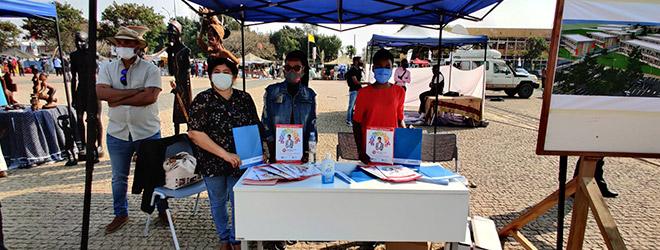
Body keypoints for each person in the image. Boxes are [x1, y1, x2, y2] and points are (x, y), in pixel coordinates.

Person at [96, 26, 169, 234]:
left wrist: (116, 96)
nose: (122, 47)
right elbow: (101, 93)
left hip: (147, 131)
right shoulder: (107, 68)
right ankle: (120, 213)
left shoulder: (150, 69)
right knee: (119, 177)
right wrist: (134, 92)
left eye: (127, 43)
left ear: (137, 46)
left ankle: (162, 210)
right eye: (119, 43)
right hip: (118, 132)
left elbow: (150, 97)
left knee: (155, 174)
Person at [188, 57, 265, 250]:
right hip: (212, 161)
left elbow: (255, 126)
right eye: (217, 72)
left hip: (241, 161)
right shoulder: (202, 100)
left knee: (239, 201)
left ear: (234, 76)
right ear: (210, 75)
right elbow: (195, 133)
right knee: (218, 200)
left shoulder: (244, 98)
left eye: (226, 72)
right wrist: (224, 154)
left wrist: (260, 151)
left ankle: (236, 239)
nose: (221, 76)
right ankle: (224, 238)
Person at [262, 50, 317, 164]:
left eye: (296, 68)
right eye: (288, 68)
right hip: (277, 153)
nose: (292, 71)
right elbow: (266, 123)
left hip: (301, 154)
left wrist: (307, 153)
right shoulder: (272, 91)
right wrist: (273, 154)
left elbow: (312, 125)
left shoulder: (309, 94)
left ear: (303, 70)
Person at [352, 49, 405, 164]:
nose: (383, 70)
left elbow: (400, 120)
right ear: (373, 69)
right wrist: (360, 150)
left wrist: (409, 136)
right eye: (379, 66)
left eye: (387, 66)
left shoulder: (399, 92)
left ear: (392, 69)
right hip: (369, 151)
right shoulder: (363, 93)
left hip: (392, 149)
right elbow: (356, 123)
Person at [71, 31, 104, 161]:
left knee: (95, 118)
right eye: (77, 41)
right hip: (81, 89)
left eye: (82, 41)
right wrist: (73, 95)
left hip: (93, 89)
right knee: (79, 118)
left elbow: (96, 73)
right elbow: (73, 77)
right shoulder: (74, 56)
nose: (79, 44)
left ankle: (99, 144)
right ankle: (83, 145)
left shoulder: (92, 55)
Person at [166, 20, 192, 135]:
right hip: (177, 84)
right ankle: (176, 136)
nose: (171, 37)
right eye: (169, 34)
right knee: (176, 115)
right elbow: (171, 71)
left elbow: (186, 70)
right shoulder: (173, 51)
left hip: (184, 85)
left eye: (173, 34)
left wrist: (180, 85)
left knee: (186, 110)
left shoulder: (185, 50)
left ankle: (190, 133)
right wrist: (169, 54)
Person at [345, 56, 364, 126]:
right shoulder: (352, 70)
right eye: (360, 61)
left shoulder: (359, 70)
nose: (361, 62)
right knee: (351, 105)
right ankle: (348, 120)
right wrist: (367, 83)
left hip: (358, 89)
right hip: (353, 90)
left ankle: (354, 119)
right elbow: (356, 82)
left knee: (358, 105)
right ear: (356, 61)